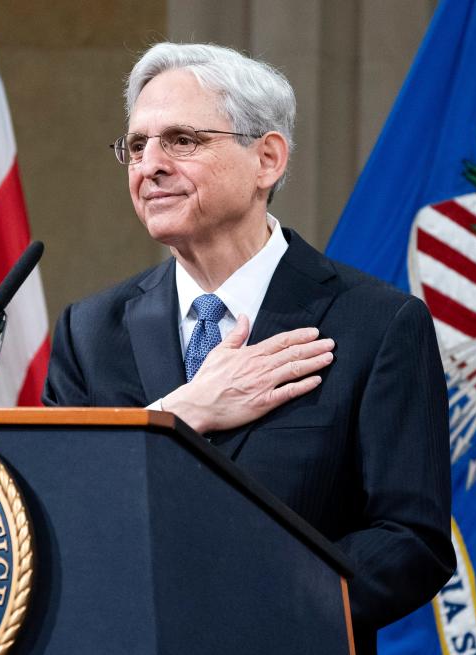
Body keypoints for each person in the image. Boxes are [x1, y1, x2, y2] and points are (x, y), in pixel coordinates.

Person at [42, 42, 454, 653]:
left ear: (266, 158)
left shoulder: (378, 324)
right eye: (136, 145)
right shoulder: (89, 331)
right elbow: (59, 516)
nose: (148, 165)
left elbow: (410, 538)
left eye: (181, 141)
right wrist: (180, 415)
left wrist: (246, 601)